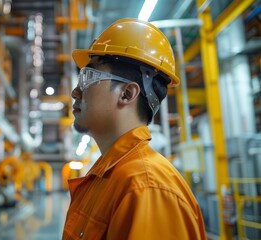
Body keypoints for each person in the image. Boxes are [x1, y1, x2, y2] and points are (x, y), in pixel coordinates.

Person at [62, 18, 207, 239]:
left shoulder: (147, 188)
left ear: (127, 94)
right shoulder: (108, 177)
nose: (76, 92)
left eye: (88, 77)